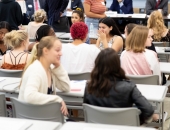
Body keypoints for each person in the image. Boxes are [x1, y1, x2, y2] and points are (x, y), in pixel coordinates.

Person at [84, 48, 158, 124]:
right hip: (124, 125)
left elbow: (86, 109)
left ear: (97, 65)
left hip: (97, 126)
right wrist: (137, 120)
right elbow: (148, 110)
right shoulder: (129, 87)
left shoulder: (89, 87)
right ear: (117, 65)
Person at [18, 36, 70, 115]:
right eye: (57, 50)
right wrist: (57, 98)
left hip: (43, 117)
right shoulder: (36, 70)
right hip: (34, 119)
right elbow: (30, 96)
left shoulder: (50, 68)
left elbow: (65, 87)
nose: (61, 53)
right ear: (46, 51)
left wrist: (58, 66)